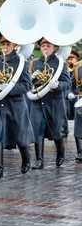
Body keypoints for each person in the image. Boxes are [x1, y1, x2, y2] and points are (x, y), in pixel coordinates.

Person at [0, 32, 32, 178]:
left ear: (14, 45)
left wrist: (8, 88)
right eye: (3, 44)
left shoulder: (22, 62)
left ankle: (26, 158)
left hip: (15, 104)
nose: (4, 47)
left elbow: (26, 85)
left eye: (8, 44)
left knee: (20, 136)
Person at [28, 38, 70, 168]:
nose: (45, 48)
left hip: (54, 101)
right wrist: (32, 79)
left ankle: (60, 153)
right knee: (38, 129)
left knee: (57, 130)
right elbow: (29, 84)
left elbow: (67, 82)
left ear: (54, 48)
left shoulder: (60, 63)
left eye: (48, 46)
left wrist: (58, 85)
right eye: (43, 46)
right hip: (38, 101)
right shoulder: (34, 63)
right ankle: (39, 159)